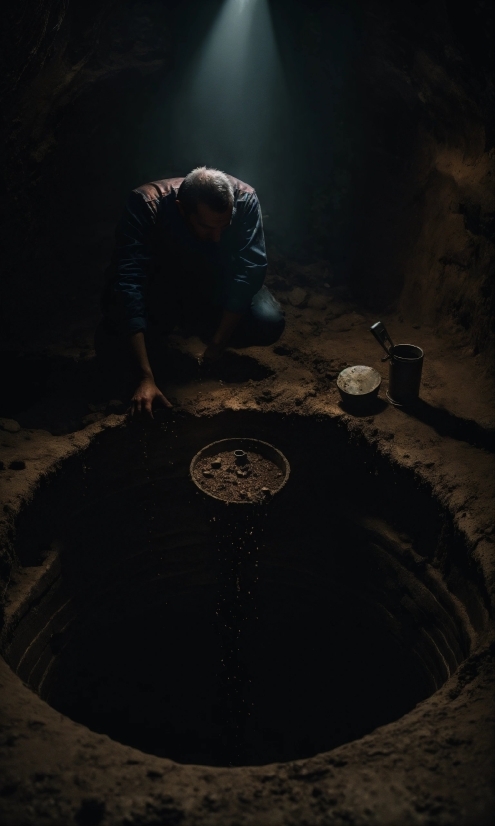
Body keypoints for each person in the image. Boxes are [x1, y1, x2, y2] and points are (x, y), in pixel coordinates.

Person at [98, 167, 285, 416]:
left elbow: (249, 271)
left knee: (267, 321)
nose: (217, 237)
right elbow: (128, 281)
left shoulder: (245, 199)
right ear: (181, 209)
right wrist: (145, 376)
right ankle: (165, 333)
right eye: (208, 228)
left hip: (215, 281)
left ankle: (199, 324)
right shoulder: (146, 204)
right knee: (116, 346)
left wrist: (218, 343)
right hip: (163, 283)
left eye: (224, 226)